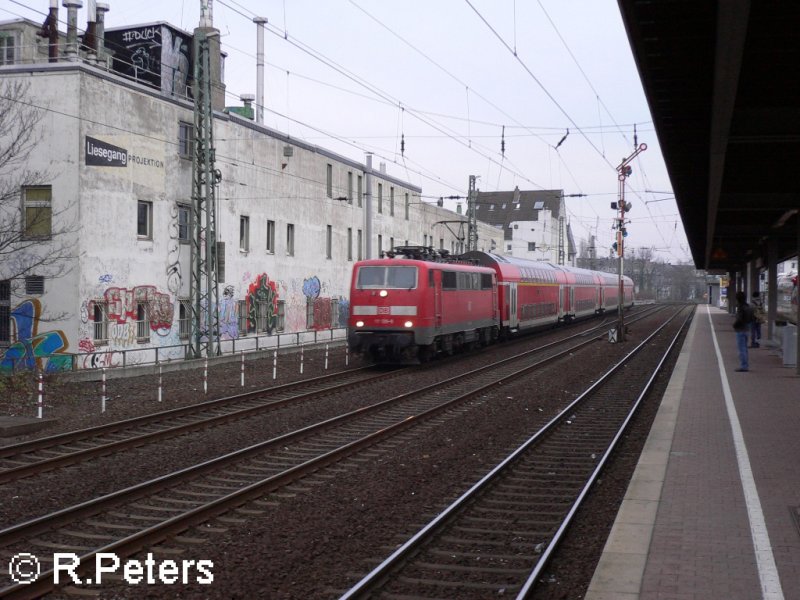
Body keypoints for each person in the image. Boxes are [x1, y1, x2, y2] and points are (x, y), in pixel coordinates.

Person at [732, 291, 754, 372]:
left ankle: (744, 366)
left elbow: (739, 319)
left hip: (740, 329)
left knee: (741, 349)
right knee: (744, 348)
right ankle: (745, 365)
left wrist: (734, 325)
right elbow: (752, 318)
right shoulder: (749, 306)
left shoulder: (741, 307)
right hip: (747, 329)